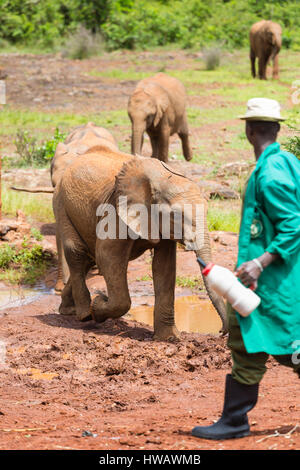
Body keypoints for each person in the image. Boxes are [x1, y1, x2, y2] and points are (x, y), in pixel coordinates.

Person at [192, 98, 300, 440]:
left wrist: (259, 262)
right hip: (271, 280)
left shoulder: (270, 174)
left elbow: (294, 225)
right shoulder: (287, 161)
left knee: (287, 346)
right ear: (278, 128)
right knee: (246, 341)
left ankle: (235, 420)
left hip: (273, 281)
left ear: (248, 129)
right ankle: (235, 418)